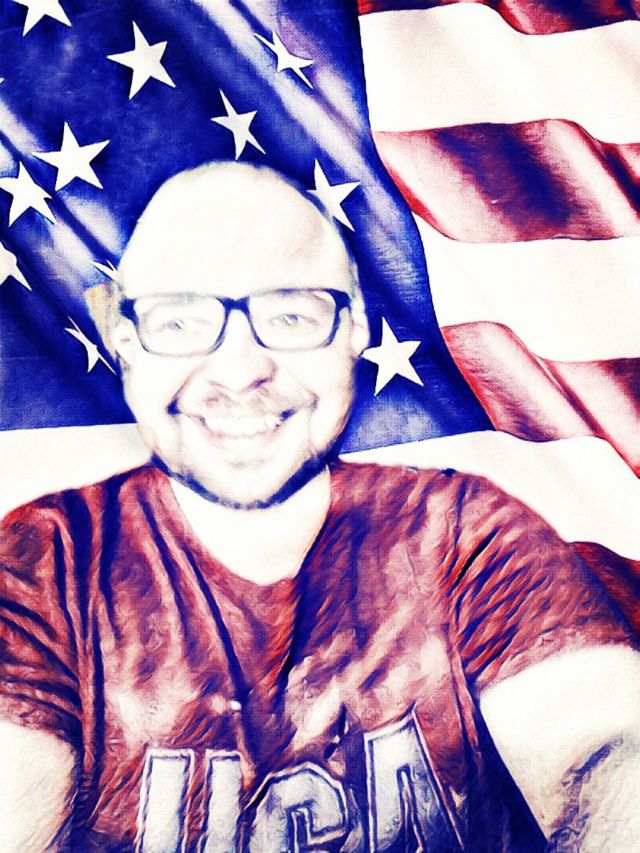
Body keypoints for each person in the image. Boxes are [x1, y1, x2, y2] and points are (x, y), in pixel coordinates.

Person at [0, 162, 638, 852]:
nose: (239, 371)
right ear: (125, 344)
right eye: (178, 320)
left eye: (291, 315)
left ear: (355, 329)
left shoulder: (463, 534)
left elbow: (603, 757)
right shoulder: (45, 565)